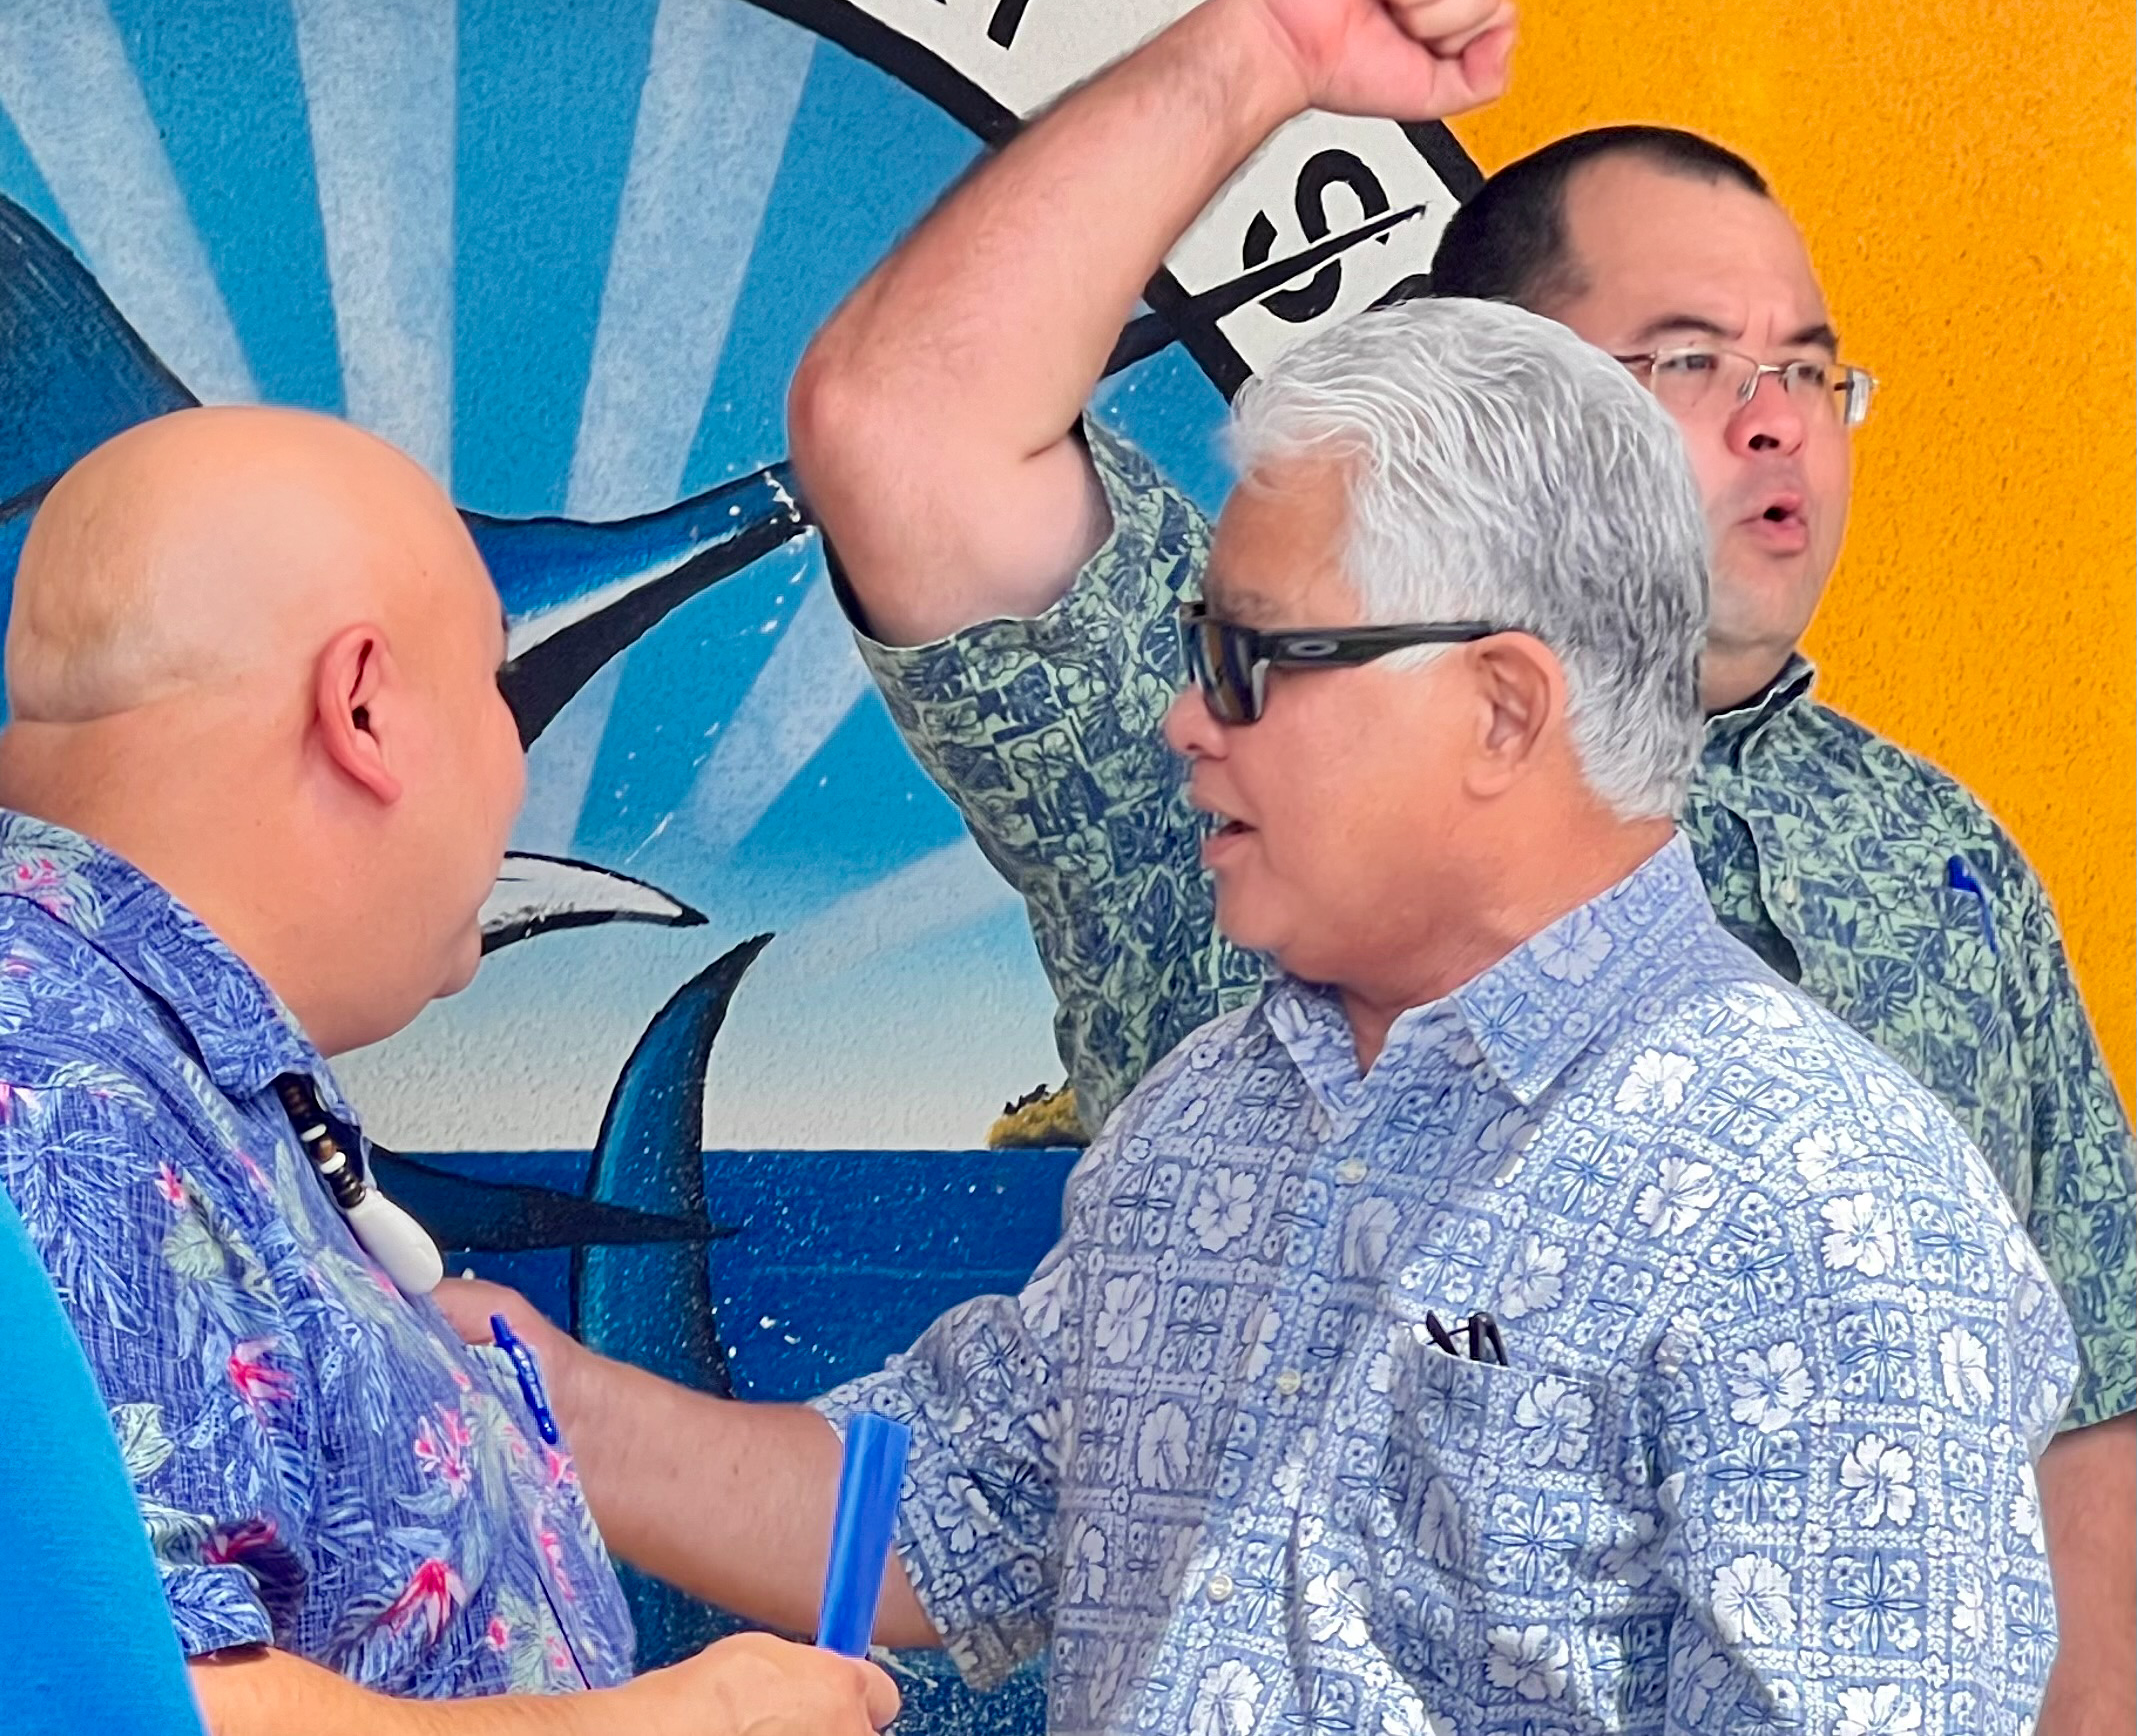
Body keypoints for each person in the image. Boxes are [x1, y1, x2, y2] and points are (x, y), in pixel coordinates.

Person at [784, 0, 2136, 1722]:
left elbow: (2086, 1465)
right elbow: (905, 423)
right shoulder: (1262, 725)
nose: (1775, 422)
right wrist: (1261, 55)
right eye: (1688, 360)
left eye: (1809, 370)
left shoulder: (1943, 859)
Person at [452, 298, 2077, 1729]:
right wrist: (546, 1401)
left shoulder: (1818, 1201)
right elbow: (957, 1511)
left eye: (1250, 660)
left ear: (1502, 707)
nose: (1182, 718)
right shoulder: (1211, 1108)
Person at [0, 407, 896, 1736]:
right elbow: (107, 1701)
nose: (516, 764)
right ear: (361, 706)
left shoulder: (174, 1087)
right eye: (488, 682)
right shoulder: (59, 1093)